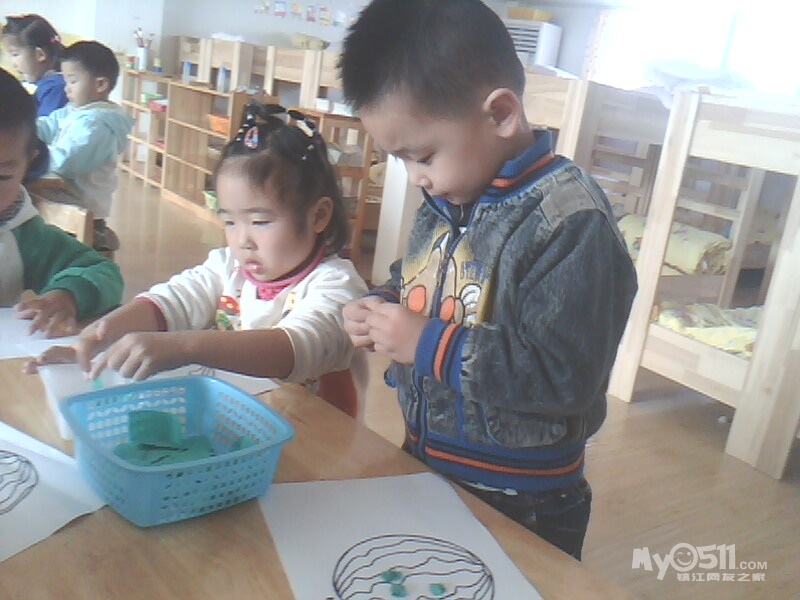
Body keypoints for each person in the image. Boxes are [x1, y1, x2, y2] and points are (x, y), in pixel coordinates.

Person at [339, 0, 638, 559]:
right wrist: (383, 302)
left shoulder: (571, 223)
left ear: (500, 114)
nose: (416, 177)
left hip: (523, 497)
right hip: (428, 458)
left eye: (422, 155)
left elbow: (564, 377)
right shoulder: (450, 194)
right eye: (401, 160)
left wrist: (425, 343)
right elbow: (417, 275)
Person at [29, 105, 369, 418]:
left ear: (318, 216)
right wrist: (99, 336)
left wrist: (185, 346)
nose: (243, 240)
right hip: (243, 419)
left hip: (316, 437)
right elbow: (173, 300)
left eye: (260, 221)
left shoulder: (337, 286)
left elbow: (295, 347)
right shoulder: (228, 267)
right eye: (230, 221)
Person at [0, 68, 123, 337]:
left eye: (3, 176)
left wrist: (68, 294)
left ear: (27, 165)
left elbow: (101, 271)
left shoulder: (24, 235)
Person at [35, 40, 133, 251]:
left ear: (100, 85)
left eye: (72, 81)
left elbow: (65, 162)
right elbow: (47, 126)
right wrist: (23, 132)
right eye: (65, 81)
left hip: (82, 213)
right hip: (62, 201)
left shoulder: (97, 126)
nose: (66, 88)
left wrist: (33, 155)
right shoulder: (75, 110)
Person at [2, 14, 67, 117]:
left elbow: (45, 124)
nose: (13, 64)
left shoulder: (56, 88)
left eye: (15, 54)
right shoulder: (33, 82)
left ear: (40, 54)